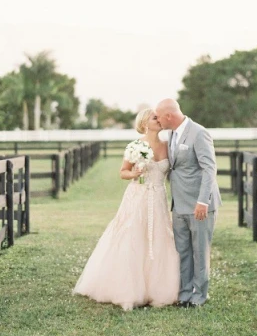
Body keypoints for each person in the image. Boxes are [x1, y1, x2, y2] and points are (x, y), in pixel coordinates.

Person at [73, 108, 180, 310]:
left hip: (158, 198)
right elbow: (123, 172)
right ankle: (128, 288)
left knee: (159, 237)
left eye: (158, 117)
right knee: (133, 236)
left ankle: (159, 288)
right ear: (145, 123)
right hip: (137, 197)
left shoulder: (168, 145)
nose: (158, 120)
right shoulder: (135, 146)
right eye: (154, 118)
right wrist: (134, 173)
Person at [155, 99, 221, 307]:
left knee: (200, 251)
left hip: (199, 205)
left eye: (158, 116)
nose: (157, 120)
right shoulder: (171, 134)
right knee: (182, 251)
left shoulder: (199, 133)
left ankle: (200, 296)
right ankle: (184, 294)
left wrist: (203, 201)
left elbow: (209, 169)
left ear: (168, 116)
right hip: (179, 204)